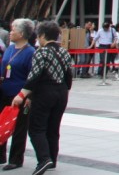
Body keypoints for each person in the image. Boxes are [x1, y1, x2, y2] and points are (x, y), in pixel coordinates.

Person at [12, 20, 74, 175]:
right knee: (54, 128)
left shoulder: (41, 52)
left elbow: (34, 76)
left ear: (43, 35)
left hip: (45, 92)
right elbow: (69, 78)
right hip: (62, 92)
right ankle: (52, 159)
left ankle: (43, 159)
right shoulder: (64, 52)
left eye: (39, 35)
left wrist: (22, 95)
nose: (38, 38)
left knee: (36, 128)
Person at [1, 19, 36, 171]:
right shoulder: (9, 48)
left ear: (22, 33)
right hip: (4, 91)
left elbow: (33, 77)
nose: (11, 32)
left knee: (20, 127)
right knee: (2, 123)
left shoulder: (30, 52)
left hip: (20, 94)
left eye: (13, 29)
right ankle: (1, 155)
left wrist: (28, 97)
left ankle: (16, 159)